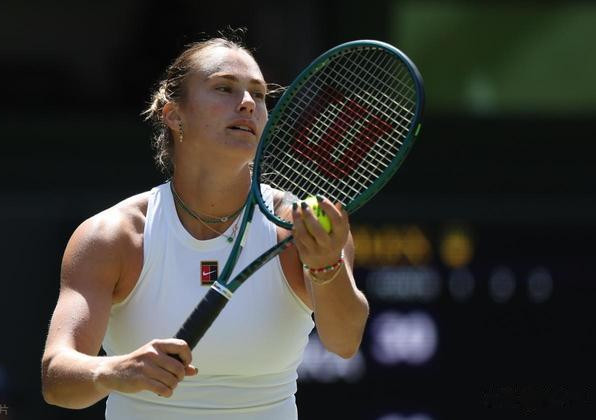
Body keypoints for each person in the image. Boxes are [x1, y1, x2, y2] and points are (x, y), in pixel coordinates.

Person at [41, 34, 369, 419]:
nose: (248, 103)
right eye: (224, 88)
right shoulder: (113, 237)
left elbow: (345, 343)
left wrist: (327, 265)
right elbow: (56, 379)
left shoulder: (301, 228)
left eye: (259, 94)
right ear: (173, 114)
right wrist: (114, 371)